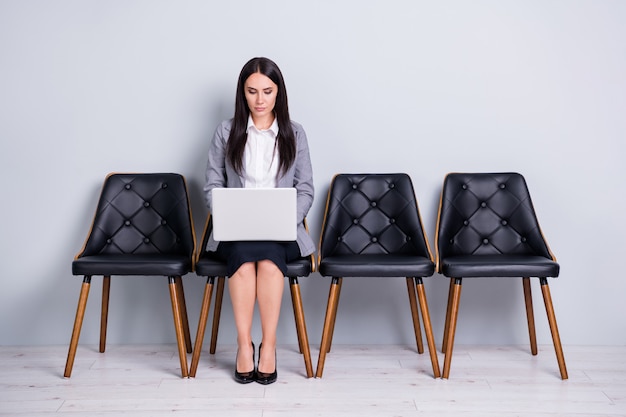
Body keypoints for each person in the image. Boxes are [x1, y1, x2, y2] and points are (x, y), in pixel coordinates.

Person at [203, 57, 315, 385]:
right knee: (241, 261)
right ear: (243, 94)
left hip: (282, 230)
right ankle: (242, 344)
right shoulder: (226, 132)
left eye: (267, 91)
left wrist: (285, 219)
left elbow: (305, 188)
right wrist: (226, 212)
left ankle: (269, 345)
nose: (260, 100)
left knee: (267, 260)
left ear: (279, 93)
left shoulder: (295, 133)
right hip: (235, 228)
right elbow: (212, 185)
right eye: (252, 92)